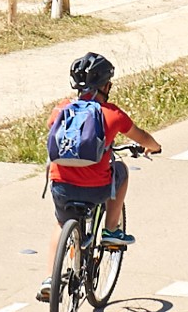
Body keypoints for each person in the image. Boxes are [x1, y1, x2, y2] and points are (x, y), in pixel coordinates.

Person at [38, 50, 159, 296]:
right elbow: (142, 137)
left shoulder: (61, 109)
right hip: (96, 189)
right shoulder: (113, 115)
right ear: (105, 85)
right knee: (122, 170)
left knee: (62, 223)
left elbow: (54, 130)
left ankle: (51, 280)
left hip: (61, 186)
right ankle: (112, 230)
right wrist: (153, 146)